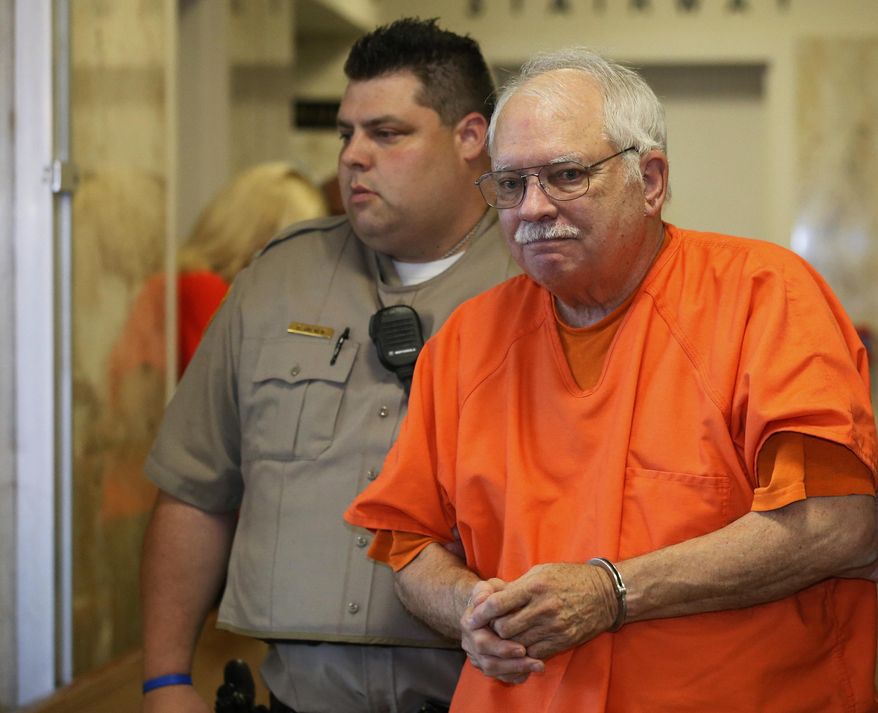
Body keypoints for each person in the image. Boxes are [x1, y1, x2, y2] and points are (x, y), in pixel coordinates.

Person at [345, 47, 878, 713]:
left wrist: (613, 590)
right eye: (510, 185)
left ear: (650, 180)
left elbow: (840, 522)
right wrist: (466, 609)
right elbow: (407, 542)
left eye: (566, 175)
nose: (533, 207)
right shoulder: (465, 340)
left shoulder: (764, 296)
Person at [140, 17, 519, 713]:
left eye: (388, 132)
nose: (354, 156)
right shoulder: (277, 280)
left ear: (472, 139)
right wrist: (165, 678)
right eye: (347, 133)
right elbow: (196, 488)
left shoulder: (540, 285)